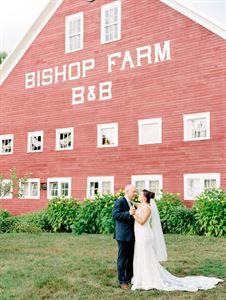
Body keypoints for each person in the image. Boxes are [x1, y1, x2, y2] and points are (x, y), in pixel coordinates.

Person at [131, 189, 223, 291]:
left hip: (145, 236)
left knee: (145, 256)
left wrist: (133, 214)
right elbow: (136, 204)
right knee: (142, 255)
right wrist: (128, 200)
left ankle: (149, 279)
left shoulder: (147, 208)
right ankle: (142, 277)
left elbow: (142, 221)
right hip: (140, 235)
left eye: (140, 194)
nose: (138, 195)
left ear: (144, 197)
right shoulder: (141, 205)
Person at [112, 184, 136, 289]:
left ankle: (129, 277)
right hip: (122, 235)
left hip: (131, 235)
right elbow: (115, 215)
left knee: (130, 258)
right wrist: (128, 213)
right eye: (133, 192)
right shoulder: (120, 201)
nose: (135, 193)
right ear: (127, 191)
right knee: (122, 259)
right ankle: (122, 281)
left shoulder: (131, 203)